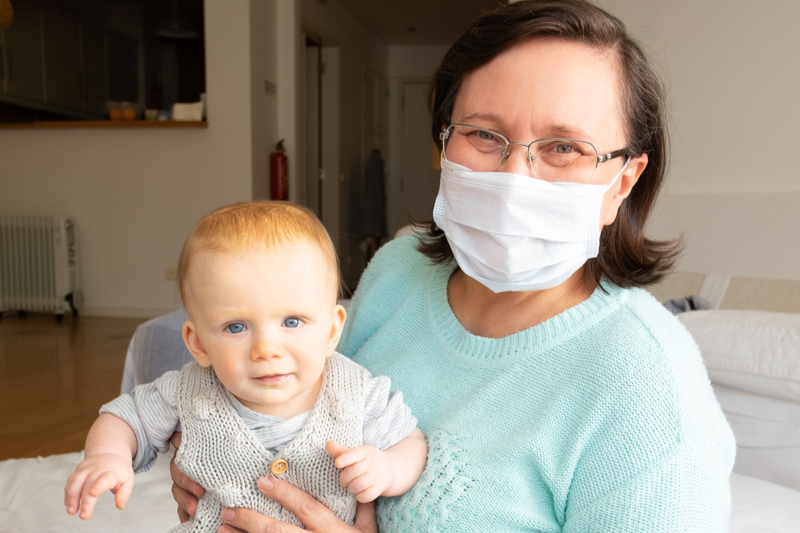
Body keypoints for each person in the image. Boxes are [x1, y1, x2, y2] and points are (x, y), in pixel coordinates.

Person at [170, 1, 736, 531]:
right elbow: (303, 404)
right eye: (485, 135)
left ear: (624, 181)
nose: (515, 178)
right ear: (443, 143)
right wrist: (218, 451)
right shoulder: (397, 270)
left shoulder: (648, 385)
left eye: (565, 147)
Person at [63, 202, 427, 530]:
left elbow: (410, 441)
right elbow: (126, 417)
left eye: (292, 322)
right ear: (198, 343)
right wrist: (108, 456)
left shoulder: (359, 393)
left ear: (331, 331)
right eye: (236, 327)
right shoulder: (187, 390)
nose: (266, 349)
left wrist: (388, 468)